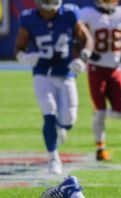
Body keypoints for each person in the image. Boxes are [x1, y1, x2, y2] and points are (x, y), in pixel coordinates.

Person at [14, 0, 93, 174]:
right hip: (42, 72)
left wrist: (83, 57)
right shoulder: (28, 18)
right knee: (48, 113)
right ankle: (53, 157)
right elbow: (19, 47)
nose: (50, 3)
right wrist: (23, 57)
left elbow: (87, 39)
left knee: (69, 119)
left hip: (66, 72)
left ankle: (61, 127)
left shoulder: (70, 14)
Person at [79, 0, 121, 162]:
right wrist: (86, 51)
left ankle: (98, 114)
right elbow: (79, 36)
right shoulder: (88, 14)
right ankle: (100, 148)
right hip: (96, 68)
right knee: (101, 111)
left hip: (115, 68)